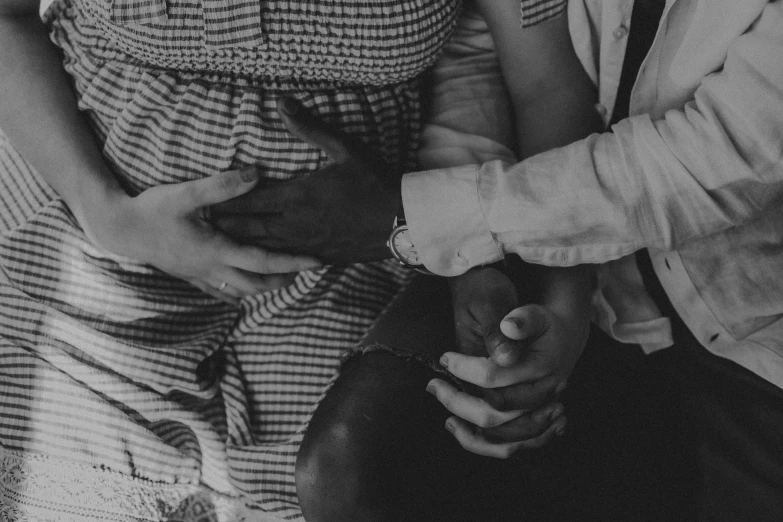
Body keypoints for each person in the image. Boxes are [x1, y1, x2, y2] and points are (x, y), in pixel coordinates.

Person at [214, 0, 783, 520]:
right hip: (560, 283)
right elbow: (485, 41)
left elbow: (711, 163)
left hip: (754, 346)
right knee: (350, 469)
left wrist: (414, 218)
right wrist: (487, 269)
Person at [0, 1, 550, 521]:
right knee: (66, 491)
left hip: (356, 261)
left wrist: (467, 243)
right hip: (96, 232)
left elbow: (529, 78)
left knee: (324, 489)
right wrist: (103, 212)